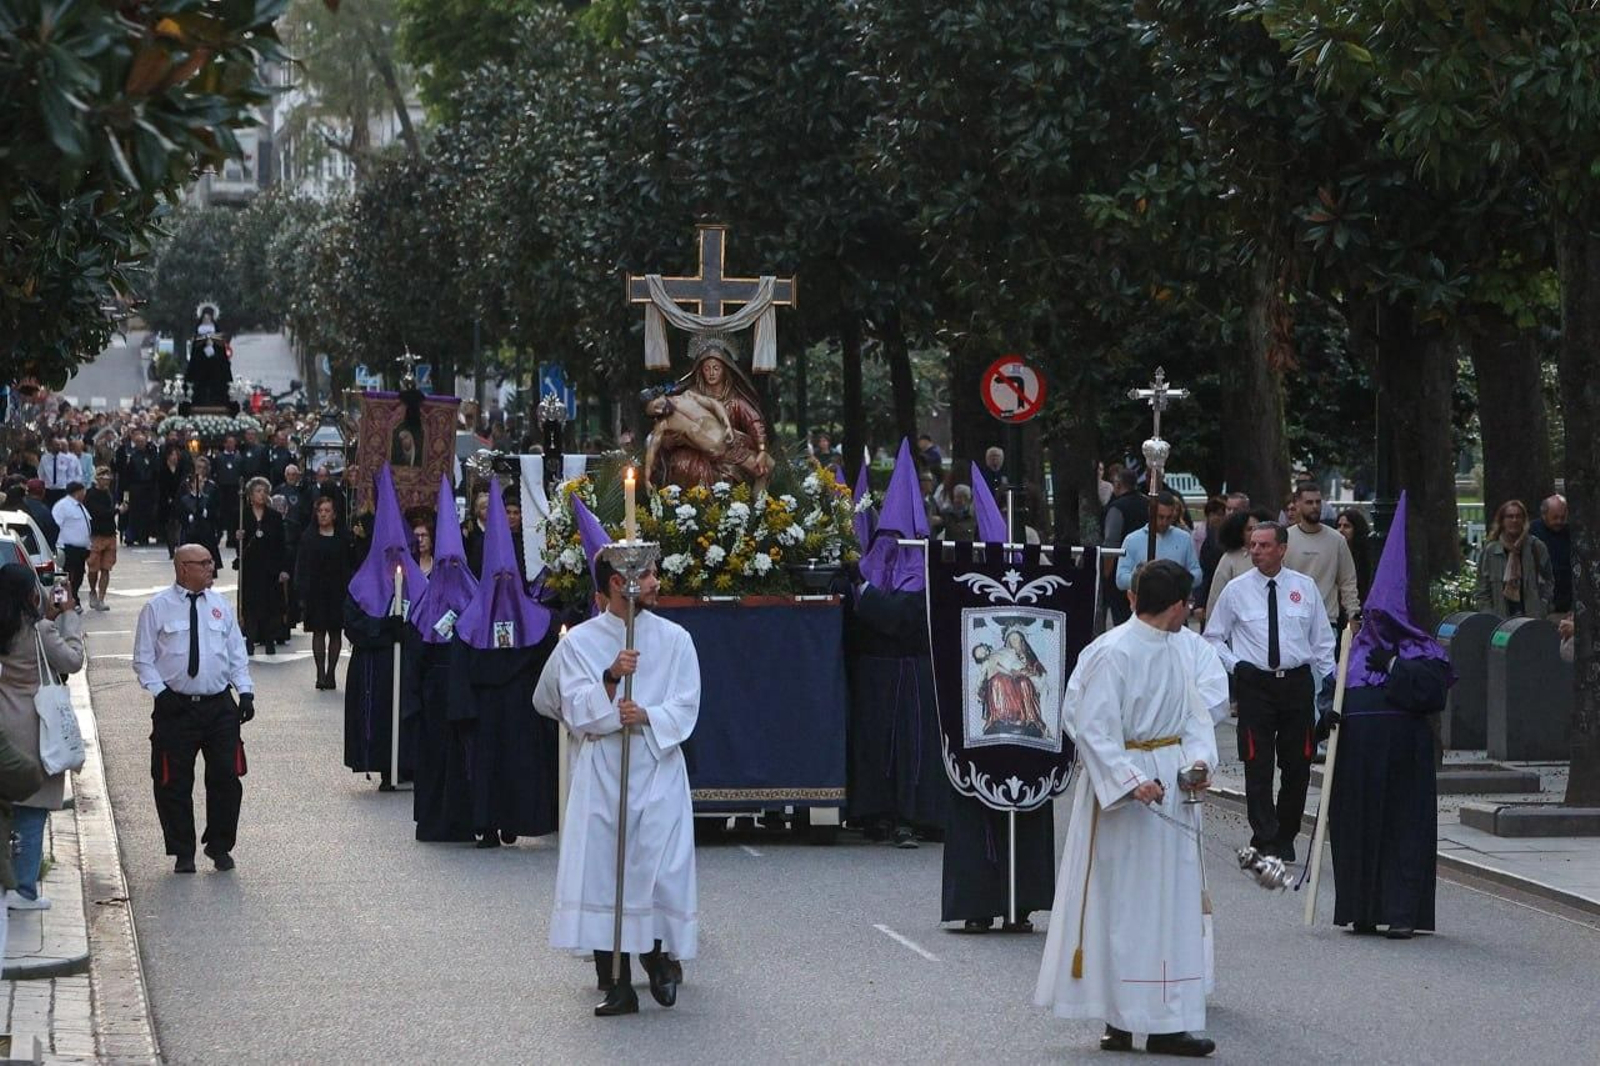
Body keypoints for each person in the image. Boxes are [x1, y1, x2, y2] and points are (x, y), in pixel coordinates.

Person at [1035, 559, 1224, 1058]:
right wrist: (1130, 779)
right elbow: (1090, 725)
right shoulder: (1112, 651)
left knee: (1170, 906)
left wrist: (1198, 762)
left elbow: (1196, 718)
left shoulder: (1182, 650)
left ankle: (1166, 1022)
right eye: (1189, 602)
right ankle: (1118, 1017)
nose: (1190, 611)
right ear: (1177, 605)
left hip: (1172, 785)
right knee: (1123, 906)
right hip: (1126, 793)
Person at [540, 552, 700, 1017]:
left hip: (656, 765)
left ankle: (657, 955)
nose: (656, 582)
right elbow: (575, 711)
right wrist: (610, 679)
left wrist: (647, 713)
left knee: (657, 868)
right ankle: (618, 983)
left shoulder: (676, 639)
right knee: (605, 872)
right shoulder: (580, 643)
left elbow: (687, 703)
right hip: (605, 769)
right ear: (618, 582)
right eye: (647, 575)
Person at [1328, 493, 1451, 940]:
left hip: (1404, 760)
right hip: (1357, 758)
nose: (1377, 624)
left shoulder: (1423, 651)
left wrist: (1396, 666)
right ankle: (1361, 909)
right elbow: (1333, 693)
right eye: (1372, 616)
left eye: (1385, 617)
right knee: (1357, 830)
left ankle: (1401, 912)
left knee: (1403, 832)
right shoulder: (1352, 651)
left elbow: (1431, 695)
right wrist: (1327, 716)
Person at [1204, 522, 1335, 862]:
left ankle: (1286, 834)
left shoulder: (1304, 588)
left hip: (1296, 684)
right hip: (1256, 685)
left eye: (1264, 545)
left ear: (1282, 549)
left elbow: (1322, 642)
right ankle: (1265, 834)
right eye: (1253, 545)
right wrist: (1236, 666)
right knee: (1257, 762)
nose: (1256, 551)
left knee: (1298, 764)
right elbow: (1213, 637)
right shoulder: (1236, 590)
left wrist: (1332, 684)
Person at [131, 544, 255, 873]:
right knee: (172, 781)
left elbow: (236, 653)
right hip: (176, 708)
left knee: (226, 778)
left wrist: (245, 692)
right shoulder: (157, 608)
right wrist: (160, 694)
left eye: (211, 562)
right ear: (183, 568)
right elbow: (143, 659)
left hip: (218, 707)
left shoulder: (220, 606)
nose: (211, 568)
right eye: (204, 563)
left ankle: (219, 845)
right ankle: (182, 850)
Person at [450, 480, 559, 848]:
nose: (502, 584)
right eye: (496, 578)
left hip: (520, 706)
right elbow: (461, 670)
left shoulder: (536, 619)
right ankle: (488, 825)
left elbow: (545, 653)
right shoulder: (470, 623)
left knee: (519, 764)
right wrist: (463, 710)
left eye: (508, 578)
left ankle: (514, 819)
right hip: (485, 708)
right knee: (487, 767)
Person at [0, 564, 83, 911]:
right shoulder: (40, 631)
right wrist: (69, 616)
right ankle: (23, 890)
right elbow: (72, 661)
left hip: (4, 725)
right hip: (36, 727)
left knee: (6, 809)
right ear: (31, 593)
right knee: (32, 812)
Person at [343, 467, 426, 790]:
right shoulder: (361, 584)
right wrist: (384, 629)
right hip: (375, 665)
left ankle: (409, 764)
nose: (395, 560)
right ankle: (383, 765)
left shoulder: (419, 584)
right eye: (388, 553)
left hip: (409, 664)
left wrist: (409, 633)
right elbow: (352, 625)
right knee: (379, 715)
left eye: (400, 552)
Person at [406, 476, 476, 842]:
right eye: (443, 563)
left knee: (463, 758)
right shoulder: (425, 606)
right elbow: (416, 656)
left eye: (454, 562)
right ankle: (434, 821)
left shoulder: (473, 599)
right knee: (434, 758)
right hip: (434, 695)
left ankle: (464, 821)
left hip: (463, 694)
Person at [1284, 481, 1361, 631]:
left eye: (1318, 502)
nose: (1315, 506)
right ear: (1297, 504)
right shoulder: (1285, 538)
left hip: (1326, 620)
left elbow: (1348, 581)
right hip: (1291, 620)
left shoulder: (1337, 540)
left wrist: (1353, 614)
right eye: (1309, 502)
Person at [296, 497, 350, 691]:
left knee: (335, 632)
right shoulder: (308, 537)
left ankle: (331, 673)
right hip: (315, 591)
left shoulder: (343, 538)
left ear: (334, 514)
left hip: (337, 590)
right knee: (318, 631)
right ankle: (320, 673)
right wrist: (301, 591)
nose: (323, 514)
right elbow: (302, 565)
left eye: (327, 511)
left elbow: (348, 564)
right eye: (320, 511)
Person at [1474, 499, 1554, 618]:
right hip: (1501, 618)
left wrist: (1543, 606)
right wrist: (1489, 615)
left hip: (1531, 617)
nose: (1514, 520)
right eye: (1510, 517)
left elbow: (1548, 581)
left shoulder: (1536, 547)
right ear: (1502, 521)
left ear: (1524, 520)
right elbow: (1482, 589)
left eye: (1518, 516)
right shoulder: (1491, 551)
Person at [1114, 491, 1203, 596]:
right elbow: (1121, 579)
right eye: (1160, 517)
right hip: (1145, 602)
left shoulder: (1184, 538)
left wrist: (1178, 581)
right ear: (1151, 512)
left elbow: (1197, 573)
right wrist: (1146, 581)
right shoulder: (1132, 540)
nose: (1164, 522)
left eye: (1169, 518)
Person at [237, 478, 288, 656]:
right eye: (258, 491)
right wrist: (238, 538)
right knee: (250, 605)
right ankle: (250, 640)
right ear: (250, 495)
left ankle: (269, 640)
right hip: (251, 567)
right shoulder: (243, 515)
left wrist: (283, 568)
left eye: (264, 491)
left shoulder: (274, 516)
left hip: (269, 566)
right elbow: (238, 547)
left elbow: (281, 544)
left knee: (270, 605)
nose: (262, 494)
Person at [1203, 508, 1266, 622]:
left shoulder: (1272, 555)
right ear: (1239, 533)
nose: (1254, 532)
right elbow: (1216, 595)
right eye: (1249, 529)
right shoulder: (1229, 559)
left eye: (1258, 528)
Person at [84, 468, 123, 611]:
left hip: (110, 534)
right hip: (96, 535)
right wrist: (117, 511)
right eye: (103, 476)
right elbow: (98, 513)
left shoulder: (109, 493)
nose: (106, 479)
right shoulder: (91, 494)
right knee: (93, 568)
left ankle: (101, 598)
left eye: (108, 476)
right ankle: (92, 591)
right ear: (97, 478)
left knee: (106, 568)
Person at [177, 457, 224, 571]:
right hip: (190, 530)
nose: (201, 470)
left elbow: (217, 507)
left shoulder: (212, 486)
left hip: (206, 529)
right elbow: (179, 506)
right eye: (198, 467)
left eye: (203, 468)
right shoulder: (186, 485)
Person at [49, 481, 92, 603]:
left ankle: (73, 599)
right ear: (77, 492)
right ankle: (59, 602)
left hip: (80, 550)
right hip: (66, 548)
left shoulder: (80, 506)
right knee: (62, 575)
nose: (85, 494)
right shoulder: (62, 506)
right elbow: (55, 526)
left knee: (78, 576)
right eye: (83, 491)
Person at [1530, 494, 1571, 616]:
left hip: (1566, 597)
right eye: (1555, 517)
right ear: (1544, 515)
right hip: (1542, 597)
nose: (1559, 521)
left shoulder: (1570, 531)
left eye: (1562, 517)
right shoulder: (1532, 531)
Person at [1335, 508, 1375, 606]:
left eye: (1347, 526)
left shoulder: (1366, 556)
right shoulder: (1333, 553)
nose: (1341, 530)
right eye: (1339, 526)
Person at [212, 436, 243, 551]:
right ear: (224, 444)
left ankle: (231, 538)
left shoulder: (239, 458)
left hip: (234, 490)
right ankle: (218, 535)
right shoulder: (219, 458)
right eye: (228, 443)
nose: (231, 445)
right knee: (221, 514)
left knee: (233, 514)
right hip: (222, 489)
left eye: (233, 443)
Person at [21, 480, 58, 553]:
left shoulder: (16, 503)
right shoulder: (44, 511)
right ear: (43, 492)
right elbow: (52, 532)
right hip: (36, 552)